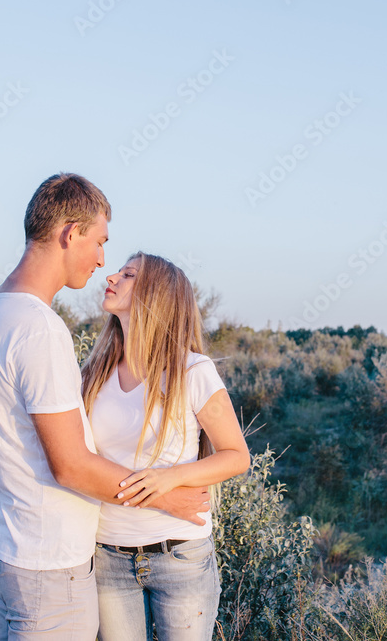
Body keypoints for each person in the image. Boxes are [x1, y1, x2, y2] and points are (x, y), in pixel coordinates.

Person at [0, 174, 209, 641]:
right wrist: (164, 496)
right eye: (99, 242)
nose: (101, 260)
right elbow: (71, 466)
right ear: (70, 233)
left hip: (14, 548)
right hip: (48, 561)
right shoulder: (40, 329)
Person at [82, 252, 250, 641]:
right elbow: (76, 459)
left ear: (154, 295)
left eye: (127, 274)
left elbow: (236, 456)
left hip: (180, 555)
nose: (110, 277)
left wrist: (168, 479)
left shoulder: (193, 370)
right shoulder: (93, 373)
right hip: (108, 555)